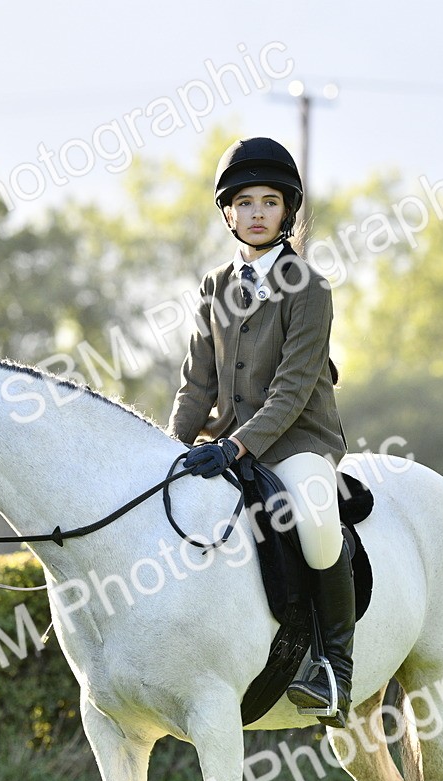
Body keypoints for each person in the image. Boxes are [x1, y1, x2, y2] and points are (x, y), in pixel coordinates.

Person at [167, 137, 355, 728]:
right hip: (222, 442)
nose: (255, 213)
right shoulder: (214, 287)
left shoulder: (309, 285)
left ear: (286, 211)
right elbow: (196, 384)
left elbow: (292, 390)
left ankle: (335, 670)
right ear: (228, 212)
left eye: (268, 202)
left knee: (319, 524)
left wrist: (236, 445)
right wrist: (170, 450)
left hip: (297, 440)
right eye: (243, 202)